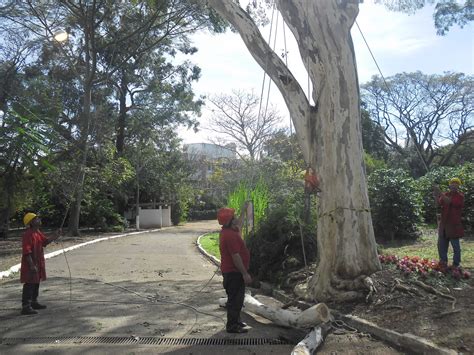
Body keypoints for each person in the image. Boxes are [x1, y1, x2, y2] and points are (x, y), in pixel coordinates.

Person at [217, 202, 252, 334]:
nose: (236, 217)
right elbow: (235, 256)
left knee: (239, 299)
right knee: (234, 300)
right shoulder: (229, 235)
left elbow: (240, 223)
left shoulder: (231, 230)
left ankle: (237, 321)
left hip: (233, 272)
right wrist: (245, 273)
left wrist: (244, 209)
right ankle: (232, 326)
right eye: (234, 216)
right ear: (230, 220)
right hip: (233, 273)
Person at [20, 212, 60, 315]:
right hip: (30, 263)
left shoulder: (37, 232)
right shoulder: (28, 234)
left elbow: (45, 242)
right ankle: (26, 306)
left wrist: (55, 235)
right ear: (31, 222)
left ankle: (34, 302)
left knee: (36, 282)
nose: (39, 220)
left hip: (38, 262)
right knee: (29, 284)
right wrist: (32, 265)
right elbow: (26, 251)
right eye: (36, 219)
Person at [433, 178, 464, 269]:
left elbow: (449, 202)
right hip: (444, 225)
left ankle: (456, 264)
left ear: (458, 186)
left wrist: (440, 193)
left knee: (456, 247)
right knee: (441, 245)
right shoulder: (446, 194)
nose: (454, 185)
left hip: (454, 225)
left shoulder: (460, 196)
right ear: (449, 185)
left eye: (456, 184)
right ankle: (443, 262)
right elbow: (437, 205)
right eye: (452, 184)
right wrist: (436, 195)